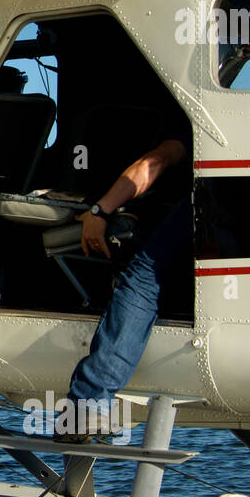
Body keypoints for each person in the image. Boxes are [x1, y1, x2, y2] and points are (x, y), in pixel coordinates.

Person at [55, 117, 192, 443]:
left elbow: (153, 162)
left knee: (143, 281)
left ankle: (85, 406)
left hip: (213, 201)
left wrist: (100, 212)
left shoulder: (195, 126)